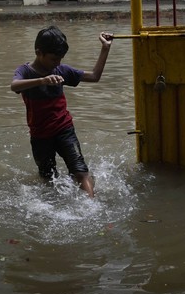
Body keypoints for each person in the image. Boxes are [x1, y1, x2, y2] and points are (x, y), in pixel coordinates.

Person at [11, 26, 113, 197]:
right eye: (53, 59)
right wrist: (42, 80)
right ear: (39, 52)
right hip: (40, 136)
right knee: (48, 178)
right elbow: (14, 86)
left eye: (60, 59)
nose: (57, 63)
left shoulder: (61, 70)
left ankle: (92, 205)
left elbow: (94, 76)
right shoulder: (25, 71)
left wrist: (105, 48)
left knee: (80, 171)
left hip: (64, 130)